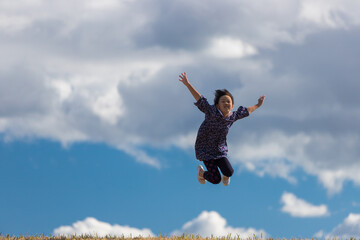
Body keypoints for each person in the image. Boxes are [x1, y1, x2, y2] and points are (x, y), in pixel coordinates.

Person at [178, 72, 265, 186]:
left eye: (228, 101)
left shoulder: (233, 116)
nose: (226, 103)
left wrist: (258, 105)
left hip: (219, 150)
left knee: (229, 172)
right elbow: (200, 99)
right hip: (205, 149)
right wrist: (188, 84)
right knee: (215, 179)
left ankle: (225, 174)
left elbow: (248, 111)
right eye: (223, 101)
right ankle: (201, 173)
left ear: (232, 106)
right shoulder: (211, 111)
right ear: (218, 105)